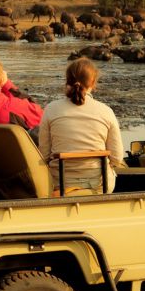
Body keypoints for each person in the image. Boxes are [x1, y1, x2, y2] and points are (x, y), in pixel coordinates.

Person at [39, 58, 123, 194]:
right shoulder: (106, 111)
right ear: (93, 83)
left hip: (59, 185)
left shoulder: (51, 109)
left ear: (67, 81)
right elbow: (117, 158)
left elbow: (44, 155)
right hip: (100, 186)